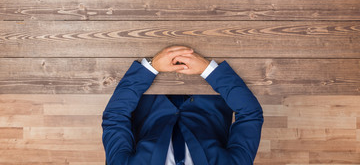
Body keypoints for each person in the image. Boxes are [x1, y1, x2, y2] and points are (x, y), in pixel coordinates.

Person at [102, 45, 263, 165]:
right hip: (209, 80)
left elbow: (115, 117)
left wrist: (151, 67)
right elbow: (250, 114)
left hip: (151, 85)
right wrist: (209, 70)